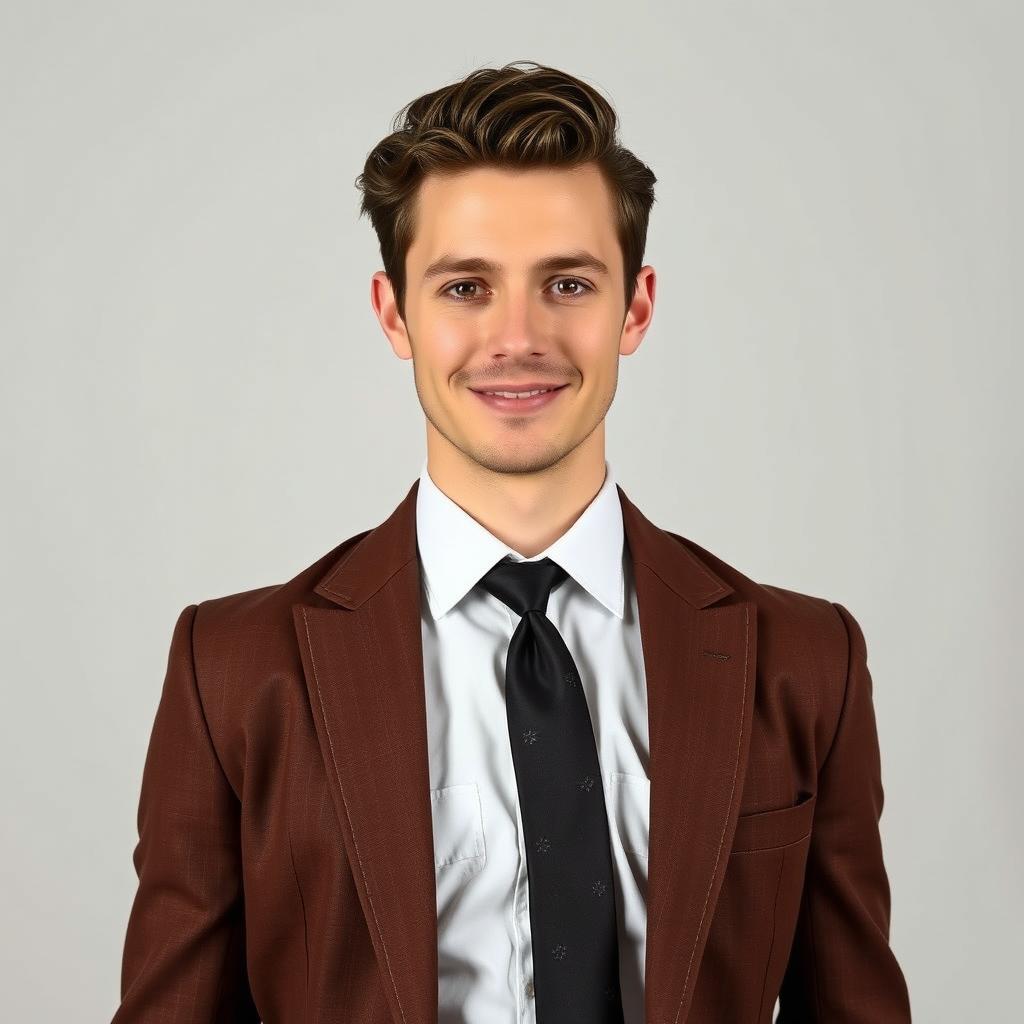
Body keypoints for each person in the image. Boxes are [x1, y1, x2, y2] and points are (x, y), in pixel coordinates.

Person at [111, 60, 911, 1023]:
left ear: (637, 307)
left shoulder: (806, 662)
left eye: (568, 282)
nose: (517, 336)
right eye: (465, 288)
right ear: (394, 314)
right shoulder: (234, 671)